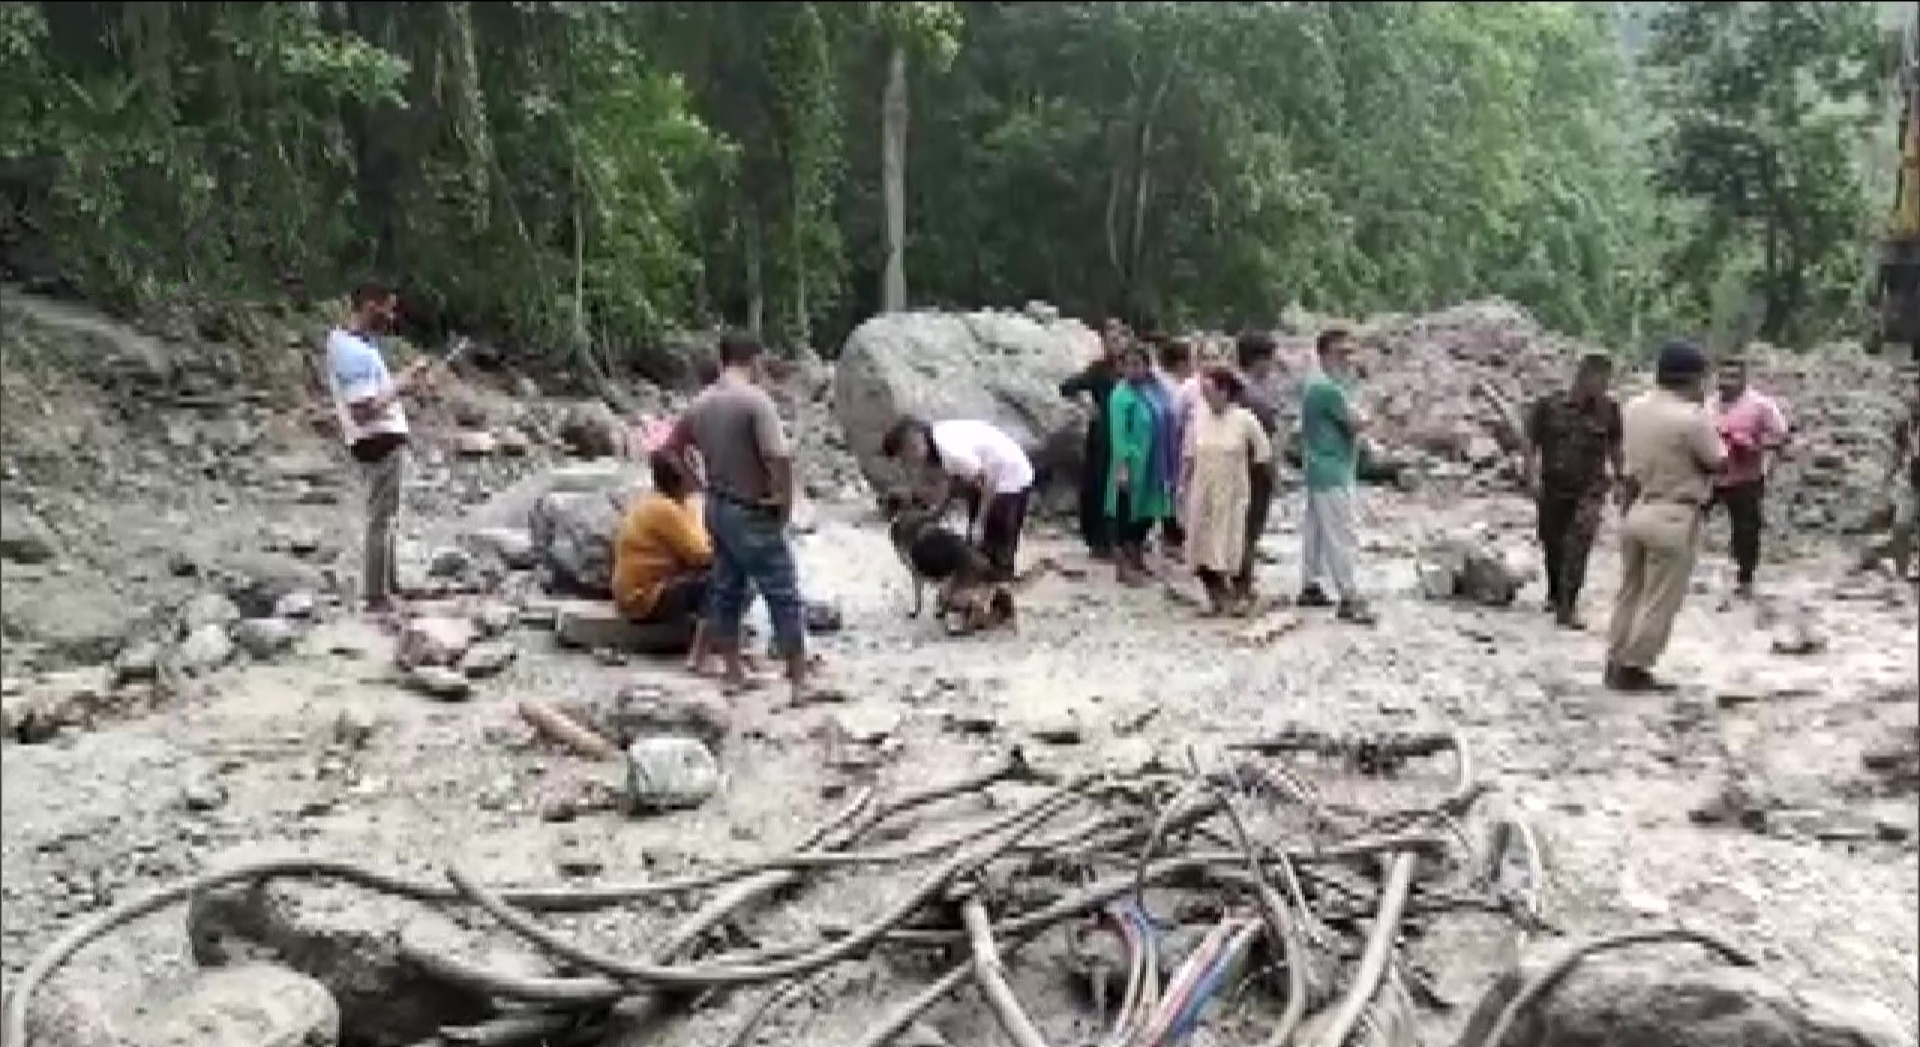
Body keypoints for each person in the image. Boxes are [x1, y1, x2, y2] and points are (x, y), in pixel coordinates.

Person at [661, 332, 813, 700]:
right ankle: (799, 681)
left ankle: (731, 670)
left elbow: (669, 451)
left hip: (717, 505)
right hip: (751, 506)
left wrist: (697, 482)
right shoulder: (754, 402)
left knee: (726, 587)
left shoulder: (700, 404)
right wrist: (784, 502)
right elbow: (779, 457)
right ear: (754, 360)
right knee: (782, 588)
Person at [1606, 340, 1726, 693]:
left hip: (1640, 505)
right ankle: (1635, 667)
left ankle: (1615, 659)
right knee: (1660, 599)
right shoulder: (1691, 419)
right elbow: (1718, 460)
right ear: (1691, 380)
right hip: (1675, 512)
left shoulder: (1634, 408)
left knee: (1630, 591)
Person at [326, 281, 431, 619]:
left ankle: (390, 585)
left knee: (388, 517)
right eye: (388, 307)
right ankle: (376, 596)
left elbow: (376, 393)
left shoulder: (358, 345)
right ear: (370, 305)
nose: (392, 315)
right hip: (376, 440)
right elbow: (363, 408)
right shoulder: (350, 349)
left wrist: (406, 382)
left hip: (382, 437)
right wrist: (404, 382)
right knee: (381, 519)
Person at [1522, 353, 1624, 629]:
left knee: (1579, 542)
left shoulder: (1609, 410)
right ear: (1582, 375)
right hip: (1553, 486)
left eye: (1606, 379)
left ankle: (1568, 605)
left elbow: (1615, 447)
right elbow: (1530, 442)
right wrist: (1530, 475)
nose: (1602, 385)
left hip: (1590, 488)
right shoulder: (1548, 406)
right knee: (1552, 542)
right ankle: (1556, 594)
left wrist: (1621, 479)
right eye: (1598, 378)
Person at [879, 415, 1036, 581]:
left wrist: (980, 522)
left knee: (997, 540)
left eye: (905, 459)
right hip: (988, 476)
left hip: (1009, 476)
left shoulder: (948, 450)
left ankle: (1000, 585)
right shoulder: (934, 442)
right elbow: (956, 482)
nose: (908, 465)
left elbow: (985, 480)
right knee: (977, 544)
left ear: (911, 445)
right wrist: (938, 512)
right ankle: (984, 581)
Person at [1182, 367, 1274, 615]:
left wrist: (1262, 492)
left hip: (1232, 492)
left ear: (1224, 391)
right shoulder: (1201, 417)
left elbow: (1264, 455)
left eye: (1210, 392)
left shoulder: (1244, 419)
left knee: (1231, 543)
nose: (1206, 398)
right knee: (1200, 544)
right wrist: (1182, 485)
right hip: (1204, 490)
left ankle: (1238, 592)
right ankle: (1215, 595)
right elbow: (1190, 454)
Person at [1297, 328, 1374, 624]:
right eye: (1342, 353)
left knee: (1316, 532)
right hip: (1332, 468)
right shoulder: (1326, 389)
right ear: (1325, 353)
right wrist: (1366, 413)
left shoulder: (1318, 384)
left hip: (1320, 466)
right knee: (1341, 534)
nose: (1348, 359)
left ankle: (1310, 584)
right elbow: (1355, 422)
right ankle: (1349, 595)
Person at [613, 451, 714, 664]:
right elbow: (699, 555)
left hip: (639, 590)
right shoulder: (664, 509)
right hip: (644, 598)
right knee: (724, 582)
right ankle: (701, 654)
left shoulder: (660, 503)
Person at [1705, 357, 1789, 598]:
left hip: (1745, 477)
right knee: (1690, 520)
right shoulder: (1707, 405)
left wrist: (1753, 444)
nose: (1726, 382)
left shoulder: (1761, 405)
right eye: (1722, 377)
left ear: (1744, 379)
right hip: (1710, 475)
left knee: (1746, 530)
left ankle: (1745, 578)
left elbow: (1782, 437)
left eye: (1732, 377)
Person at [1105, 342, 1176, 585]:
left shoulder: (1154, 390)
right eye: (1129, 365)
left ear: (1148, 366)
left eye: (1139, 364)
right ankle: (1123, 567)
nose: (1134, 370)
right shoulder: (1121, 395)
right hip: (1132, 463)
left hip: (1155, 463)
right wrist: (1123, 466)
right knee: (1127, 513)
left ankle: (1137, 558)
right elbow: (1118, 433)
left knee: (1148, 513)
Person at [1060, 319, 1128, 560]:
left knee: (1123, 486)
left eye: (1118, 339)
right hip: (1103, 434)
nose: (1114, 344)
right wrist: (1087, 406)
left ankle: (1121, 537)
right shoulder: (1099, 369)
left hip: (1127, 434)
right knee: (1098, 484)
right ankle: (1099, 539)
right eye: (1109, 340)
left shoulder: (1131, 368)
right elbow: (1067, 387)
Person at [1232, 332, 1283, 604]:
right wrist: (1274, 475)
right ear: (1259, 360)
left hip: (1235, 469)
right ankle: (1242, 586)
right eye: (1270, 360)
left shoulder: (1233, 390)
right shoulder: (1255, 397)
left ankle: (1240, 582)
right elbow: (1267, 443)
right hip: (1254, 472)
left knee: (1239, 528)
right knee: (1250, 529)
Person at [1154, 338, 1196, 562]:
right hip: (1172, 446)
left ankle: (1172, 538)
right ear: (1180, 364)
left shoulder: (1167, 384)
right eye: (1190, 360)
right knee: (1174, 493)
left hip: (1171, 446)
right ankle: (1172, 540)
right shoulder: (1173, 388)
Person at [1888, 379, 1920, 581]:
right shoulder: (1904, 424)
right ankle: (1901, 572)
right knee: (1901, 525)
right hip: (1910, 477)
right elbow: (1898, 451)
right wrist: (1892, 473)